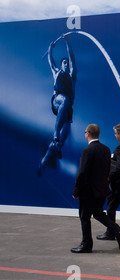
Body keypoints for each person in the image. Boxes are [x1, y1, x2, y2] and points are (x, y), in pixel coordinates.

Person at [72, 124, 120, 253]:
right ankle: (117, 230)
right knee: (97, 213)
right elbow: (108, 168)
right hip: (101, 189)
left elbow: (82, 172)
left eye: (85, 132)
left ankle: (86, 244)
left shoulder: (87, 150)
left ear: (88, 134)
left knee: (84, 216)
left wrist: (76, 190)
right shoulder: (106, 149)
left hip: (88, 191)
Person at [39, 35, 77, 175]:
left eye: (68, 63)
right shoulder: (56, 72)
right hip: (57, 101)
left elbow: (72, 57)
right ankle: (55, 133)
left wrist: (67, 42)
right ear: (62, 65)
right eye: (65, 63)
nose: (67, 64)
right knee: (65, 101)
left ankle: (43, 162)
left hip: (68, 110)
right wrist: (50, 48)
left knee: (60, 141)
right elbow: (50, 60)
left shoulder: (73, 76)